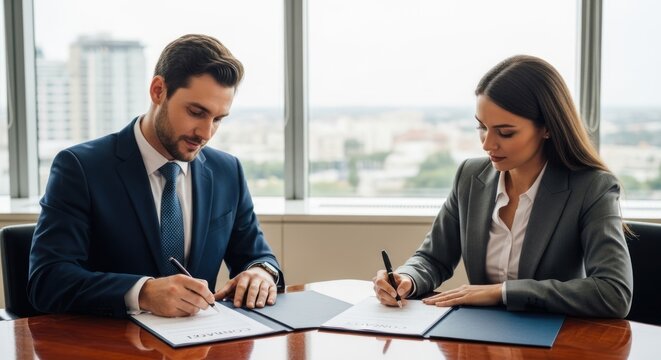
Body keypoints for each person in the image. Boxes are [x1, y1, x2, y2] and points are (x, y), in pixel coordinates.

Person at [28, 34, 284, 318]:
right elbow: (48, 280)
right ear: (158, 90)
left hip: (198, 347)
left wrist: (261, 273)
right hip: (111, 347)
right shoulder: (80, 168)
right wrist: (143, 293)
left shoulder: (227, 171)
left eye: (218, 119)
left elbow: (257, 256)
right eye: (196, 112)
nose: (206, 133)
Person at [373, 55, 633, 318]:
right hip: (481, 339)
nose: (487, 144)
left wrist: (502, 292)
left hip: (553, 342)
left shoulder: (592, 187)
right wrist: (407, 278)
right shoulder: (469, 176)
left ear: (547, 128)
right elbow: (433, 259)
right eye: (482, 127)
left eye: (505, 132)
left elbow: (613, 292)